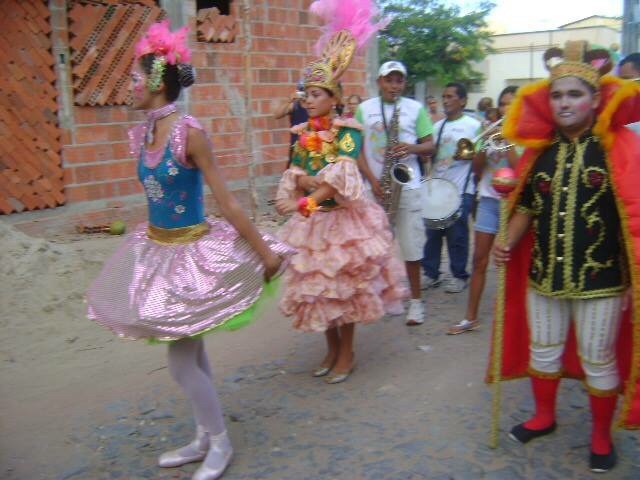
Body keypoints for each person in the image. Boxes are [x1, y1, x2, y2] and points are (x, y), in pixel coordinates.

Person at [86, 21, 293, 480]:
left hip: (191, 258)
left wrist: (264, 253)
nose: (130, 87)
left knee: (181, 364)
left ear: (157, 83)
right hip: (155, 252)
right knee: (191, 353)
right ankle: (204, 435)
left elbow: (227, 201)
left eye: (135, 79)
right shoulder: (143, 133)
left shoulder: (189, 133)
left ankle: (219, 441)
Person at [489, 41, 640, 473]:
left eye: (575, 94)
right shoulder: (541, 151)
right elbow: (526, 206)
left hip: (603, 280)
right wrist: (506, 240)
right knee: (543, 351)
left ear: (595, 99)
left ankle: (600, 437)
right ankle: (544, 417)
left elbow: (634, 216)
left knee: (598, 359)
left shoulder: (618, 148)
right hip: (544, 276)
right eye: (557, 95)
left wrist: (633, 278)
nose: (564, 102)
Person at [275, 5, 407, 384]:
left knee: (344, 291)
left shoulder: (349, 132)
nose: (309, 100)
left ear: (333, 99)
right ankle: (330, 350)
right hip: (314, 222)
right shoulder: (302, 134)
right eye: (307, 95)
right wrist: (302, 188)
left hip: (342, 221)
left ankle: (346, 353)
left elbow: (342, 175)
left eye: (316, 94)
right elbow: (296, 171)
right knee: (320, 290)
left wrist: (310, 195)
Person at [356, 61, 435, 325]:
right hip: (376, 188)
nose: (394, 85)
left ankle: (416, 303)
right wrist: (372, 181)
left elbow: (430, 146)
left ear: (404, 83)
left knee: (412, 248)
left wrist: (410, 148)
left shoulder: (414, 109)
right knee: (375, 250)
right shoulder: (364, 109)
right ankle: (384, 297)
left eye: (399, 80)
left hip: (407, 187)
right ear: (379, 82)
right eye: (389, 80)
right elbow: (356, 150)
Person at [448, 86, 519, 335]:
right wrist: (484, 145)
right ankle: (470, 317)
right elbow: (477, 169)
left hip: (516, 206)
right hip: (489, 201)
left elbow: (521, 169)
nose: (507, 108)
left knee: (513, 263)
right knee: (479, 259)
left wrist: (505, 142)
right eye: (504, 104)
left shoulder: (526, 133)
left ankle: (514, 320)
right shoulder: (490, 131)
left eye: (512, 103)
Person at [422, 83, 481, 293]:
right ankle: (431, 273)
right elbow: (431, 155)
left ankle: (459, 275)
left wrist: (469, 154)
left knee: (457, 236)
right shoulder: (437, 127)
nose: (445, 101)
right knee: (433, 233)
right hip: (438, 188)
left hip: (461, 189)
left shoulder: (473, 125)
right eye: (444, 97)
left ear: (462, 101)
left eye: (450, 97)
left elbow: (481, 154)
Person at [273, 82, 309, 168]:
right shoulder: (294, 105)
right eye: (301, 92)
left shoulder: (315, 105)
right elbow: (277, 115)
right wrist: (289, 100)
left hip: (312, 145)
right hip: (296, 147)